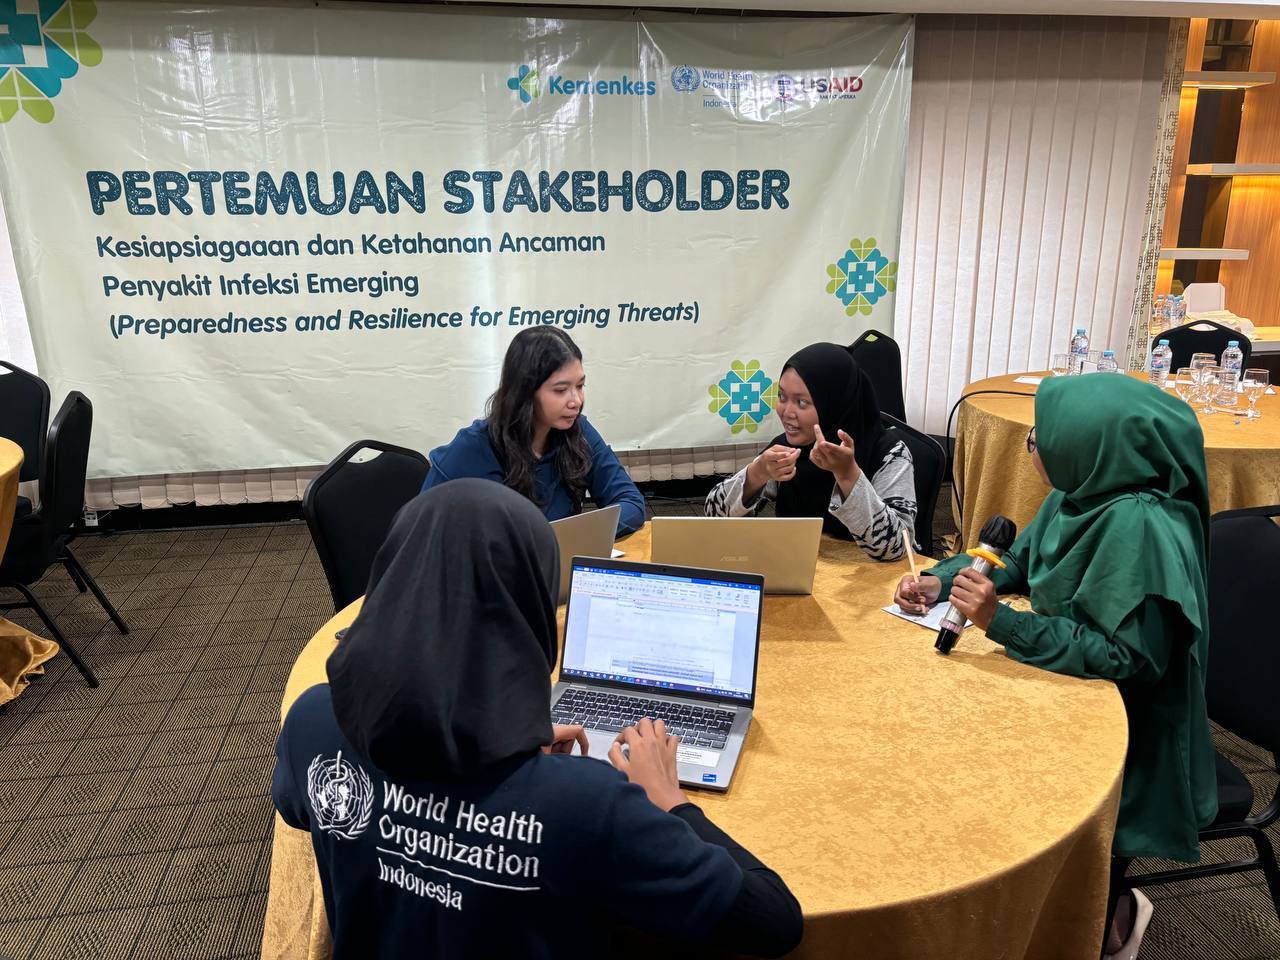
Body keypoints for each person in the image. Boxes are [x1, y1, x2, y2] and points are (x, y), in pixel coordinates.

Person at [272, 480, 803, 959]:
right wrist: (671, 803)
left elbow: (303, 811)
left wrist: (497, 742)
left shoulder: (312, 721)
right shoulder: (587, 805)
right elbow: (774, 921)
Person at [893, 373, 1216, 959]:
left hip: (1130, 733)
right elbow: (1015, 559)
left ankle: (1104, 921)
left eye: (1042, 438)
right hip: (1065, 682)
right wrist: (940, 582)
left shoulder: (1140, 526)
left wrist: (1003, 623)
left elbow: (1127, 659)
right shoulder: (1085, 490)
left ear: (1088, 445)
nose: (1033, 448)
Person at [422, 327, 645, 536]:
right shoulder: (472, 448)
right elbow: (421, 531)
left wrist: (576, 537)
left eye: (580, 386)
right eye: (560, 390)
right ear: (525, 392)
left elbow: (630, 502)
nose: (576, 401)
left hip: (553, 567)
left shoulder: (579, 431)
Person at [705, 342, 917, 561]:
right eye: (781, 397)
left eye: (802, 402)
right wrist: (756, 473)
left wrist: (848, 475)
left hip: (872, 582)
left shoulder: (888, 453)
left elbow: (896, 549)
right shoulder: (787, 449)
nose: (787, 412)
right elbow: (713, 516)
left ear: (835, 404)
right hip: (801, 572)